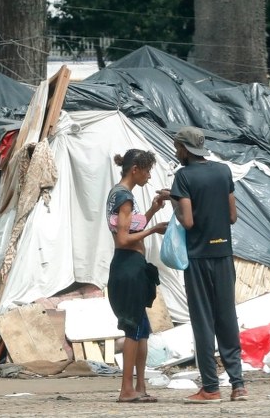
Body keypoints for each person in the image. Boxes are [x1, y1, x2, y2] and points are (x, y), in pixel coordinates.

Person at [167, 126, 248, 403]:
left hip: (198, 259)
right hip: (224, 255)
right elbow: (233, 216)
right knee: (227, 319)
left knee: (203, 322)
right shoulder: (223, 172)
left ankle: (211, 388)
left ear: (186, 149)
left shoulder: (183, 177)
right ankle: (238, 385)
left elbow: (187, 221)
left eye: (178, 147)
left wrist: (174, 202)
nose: (176, 152)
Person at [106, 149, 168, 403]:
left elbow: (131, 226)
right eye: (147, 170)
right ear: (135, 169)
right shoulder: (124, 198)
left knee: (143, 330)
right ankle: (126, 390)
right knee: (133, 329)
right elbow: (122, 239)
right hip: (127, 266)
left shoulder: (119, 194)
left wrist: (152, 211)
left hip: (132, 266)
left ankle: (140, 386)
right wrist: (153, 229)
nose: (149, 176)